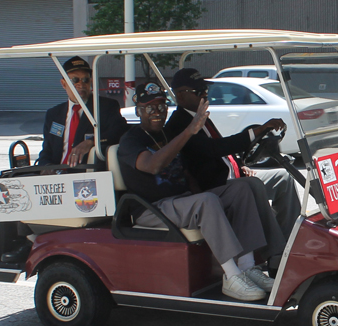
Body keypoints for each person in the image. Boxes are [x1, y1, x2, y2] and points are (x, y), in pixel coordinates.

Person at [117, 82, 279, 301]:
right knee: (207, 201)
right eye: (149, 108)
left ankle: (247, 266)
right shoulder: (131, 140)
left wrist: (198, 191)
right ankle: (231, 276)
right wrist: (188, 131)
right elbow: (153, 165)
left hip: (180, 202)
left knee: (243, 188)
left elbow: (185, 171)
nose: (157, 112)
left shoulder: (166, 134)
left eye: (162, 106)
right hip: (152, 208)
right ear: (138, 111)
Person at [165, 68, 301, 241]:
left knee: (283, 177)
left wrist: (239, 164)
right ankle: (275, 251)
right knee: (252, 185)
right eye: (199, 92)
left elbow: (222, 150)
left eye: (206, 90)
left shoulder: (201, 117)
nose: (205, 95)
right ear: (180, 96)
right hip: (213, 185)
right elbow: (213, 149)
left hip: (230, 177)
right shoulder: (180, 124)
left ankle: (290, 238)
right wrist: (255, 131)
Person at [38, 56, 128, 170]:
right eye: (75, 80)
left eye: (85, 80)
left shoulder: (106, 107)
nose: (81, 84)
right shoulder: (53, 114)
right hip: (57, 176)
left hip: (85, 175)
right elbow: (47, 151)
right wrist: (46, 168)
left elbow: (119, 132)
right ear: (63, 84)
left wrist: (91, 142)